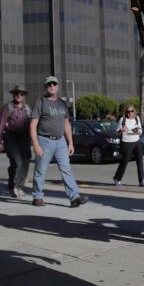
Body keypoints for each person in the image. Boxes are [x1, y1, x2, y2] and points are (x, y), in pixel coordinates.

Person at [29, 76, 88, 208]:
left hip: (61, 141)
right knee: (40, 170)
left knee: (66, 170)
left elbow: (66, 123)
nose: (52, 86)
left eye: (54, 84)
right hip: (44, 140)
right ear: (46, 87)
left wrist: (70, 142)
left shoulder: (62, 103)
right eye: (49, 84)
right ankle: (37, 197)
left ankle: (74, 198)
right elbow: (33, 125)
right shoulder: (41, 102)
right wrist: (35, 144)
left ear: (58, 86)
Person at [0, 84, 32, 198]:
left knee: (25, 163)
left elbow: (32, 125)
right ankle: (14, 186)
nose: (19, 95)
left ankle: (17, 187)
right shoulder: (8, 107)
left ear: (25, 96)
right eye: (17, 93)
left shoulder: (27, 108)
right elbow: (1, 125)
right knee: (17, 162)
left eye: (22, 94)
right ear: (13, 94)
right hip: (11, 137)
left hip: (25, 138)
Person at [113, 104, 144, 188]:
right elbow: (116, 132)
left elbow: (140, 131)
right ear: (125, 112)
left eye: (131, 111)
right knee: (125, 161)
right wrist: (121, 130)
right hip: (126, 142)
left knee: (140, 161)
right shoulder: (122, 119)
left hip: (136, 142)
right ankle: (117, 179)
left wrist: (138, 131)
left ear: (134, 111)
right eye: (128, 111)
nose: (130, 113)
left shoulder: (137, 119)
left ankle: (141, 181)